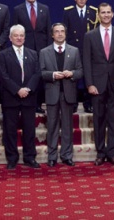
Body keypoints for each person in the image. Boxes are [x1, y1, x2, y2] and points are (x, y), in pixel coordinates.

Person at [83, 3, 114, 166]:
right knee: (99, 119)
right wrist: (89, 83)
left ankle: (112, 153)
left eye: (108, 12)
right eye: (103, 12)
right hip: (97, 84)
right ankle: (100, 153)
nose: (106, 15)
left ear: (113, 14)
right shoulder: (90, 35)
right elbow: (87, 62)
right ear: (99, 15)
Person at [0, 24, 42, 169]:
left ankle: (30, 157)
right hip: (11, 97)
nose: (19, 38)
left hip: (29, 97)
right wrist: (17, 90)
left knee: (29, 129)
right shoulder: (3, 54)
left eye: (21, 35)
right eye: (16, 35)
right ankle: (12, 158)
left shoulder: (33, 53)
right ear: (10, 38)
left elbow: (37, 74)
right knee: (10, 130)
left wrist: (27, 89)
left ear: (24, 37)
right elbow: (3, 76)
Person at [40, 23, 83, 167]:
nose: (59, 34)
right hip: (52, 94)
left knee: (67, 126)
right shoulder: (44, 52)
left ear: (65, 33)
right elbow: (40, 73)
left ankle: (66, 155)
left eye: (62, 31)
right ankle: (52, 157)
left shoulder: (74, 51)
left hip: (68, 94)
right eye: (57, 32)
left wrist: (72, 74)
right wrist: (52, 75)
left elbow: (80, 71)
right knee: (52, 126)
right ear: (52, 35)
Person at [12, 0, 52, 113]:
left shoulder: (44, 8)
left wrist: (49, 48)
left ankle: (39, 103)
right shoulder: (18, 9)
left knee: (39, 75)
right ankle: (25, 102)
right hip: (24, 47)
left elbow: (47, 29)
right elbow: (14, 30)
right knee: (26, 74)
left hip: (42, 47)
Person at [62, 0, 98, 113]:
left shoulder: (94, 12)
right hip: (74, 50)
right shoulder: (68, 12)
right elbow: (65, 32)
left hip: (89, 50)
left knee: (89, 77)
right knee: (73, 78)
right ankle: (73, 103)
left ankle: (89, 103)